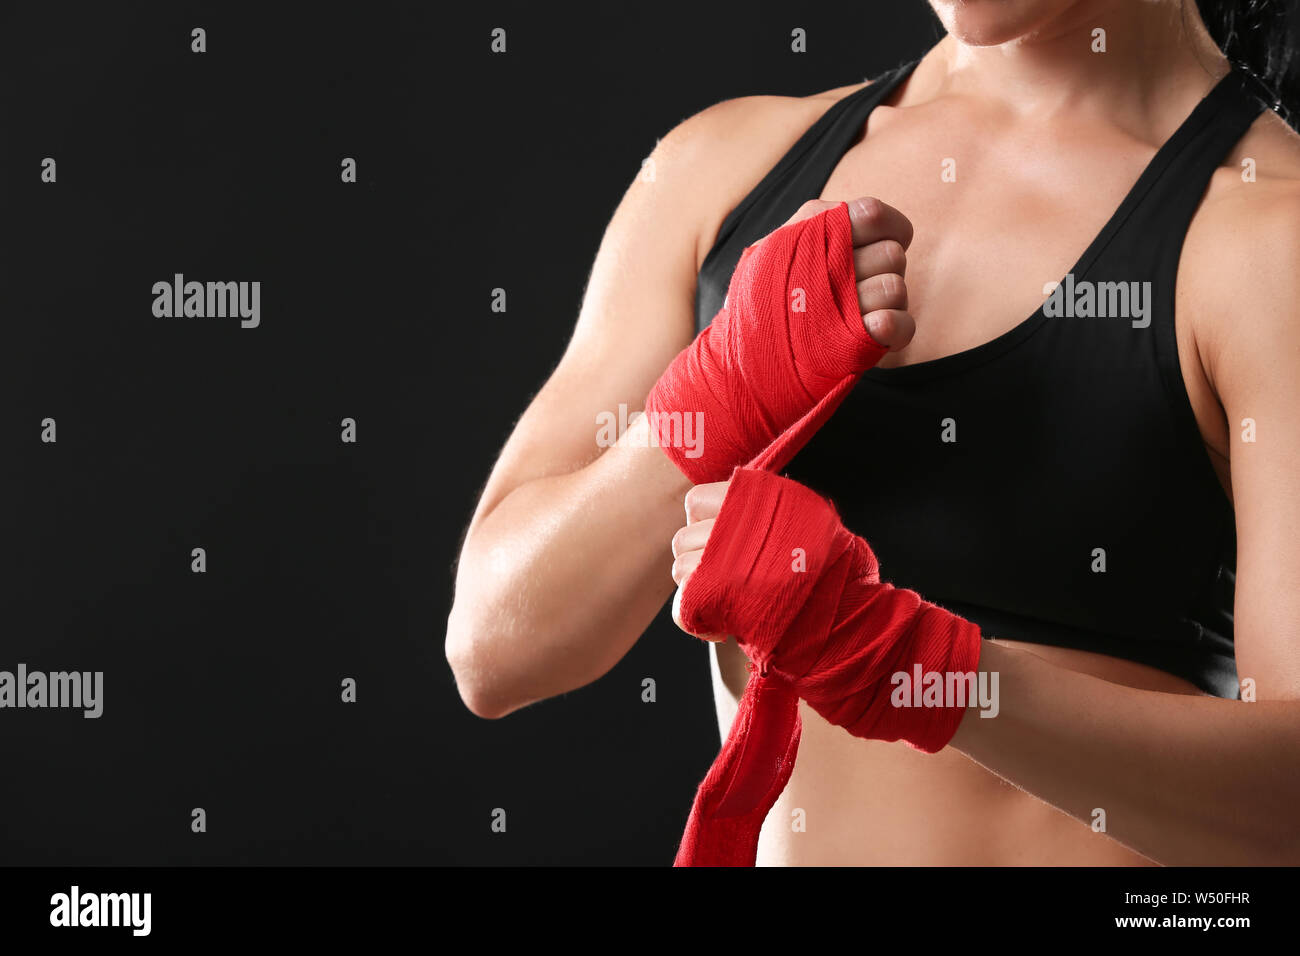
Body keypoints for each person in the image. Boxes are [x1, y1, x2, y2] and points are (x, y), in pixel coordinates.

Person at [446, 0, 1300, 865]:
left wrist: (912, 666)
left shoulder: (1274, 235)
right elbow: (495, 647)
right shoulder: (723, 170)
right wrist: (723, 395)